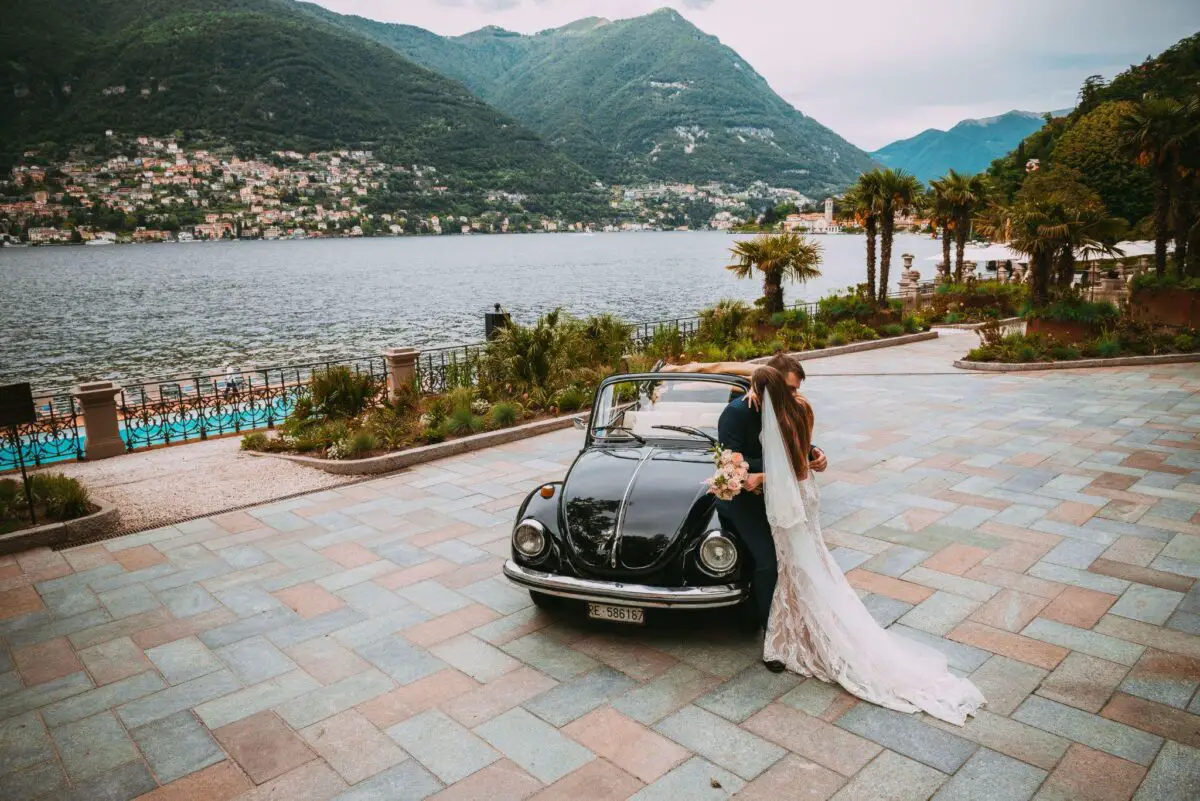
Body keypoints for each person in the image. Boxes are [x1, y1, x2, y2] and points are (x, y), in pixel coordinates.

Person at [748, 365, 985, 726]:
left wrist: (763, 477)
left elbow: (794, 470)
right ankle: (802, 631)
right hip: (806, 496)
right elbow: (806, 463)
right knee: (811, 565)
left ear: (760, 394)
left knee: (796, 568)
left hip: (788, 502)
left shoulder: (776, 418)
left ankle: (802, 639)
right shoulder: (801, 407)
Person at [714, 354, 826, 675]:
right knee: (768, 559)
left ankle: (796, 615)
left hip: (779, 498)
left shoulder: (787, 405)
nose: (794, 396)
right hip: (742, 501)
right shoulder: (735, 415)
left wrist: (814, 453)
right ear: (769, 382)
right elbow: (731, 465)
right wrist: (771, 472)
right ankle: (772, 636)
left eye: (795, 390)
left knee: (796, 555)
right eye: (788, 389)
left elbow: (793, 441)